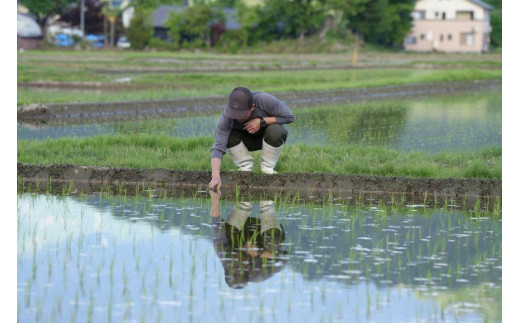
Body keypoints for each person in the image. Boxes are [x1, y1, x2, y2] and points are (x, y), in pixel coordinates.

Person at [209, 87, 295, 190]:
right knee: (227, 135)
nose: (237, 117)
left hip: (269, 137)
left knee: (275, 130)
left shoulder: (264, 100)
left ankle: (267, 168)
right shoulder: (226, 118)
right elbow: (218, 147)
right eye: (234, 114)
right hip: (246, 141)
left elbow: (289, 117)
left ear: (252, 107)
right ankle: (245, 167)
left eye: (241, 114)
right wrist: (215, 177)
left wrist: (262, 121)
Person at [209, 189, 288, 289]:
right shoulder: (260, 274)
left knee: (228, 234)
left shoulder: (224, 254)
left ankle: (244, 201)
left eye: (233, 260)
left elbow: (216, 224)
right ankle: (266, 203)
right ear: (249, 268)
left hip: (246, 225)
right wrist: (259, 253)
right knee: (272, 245)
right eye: (239, 261)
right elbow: (285, 258)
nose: (236, 257)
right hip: (267, 234)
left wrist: (215, 197)